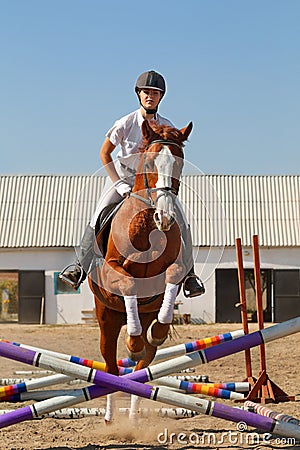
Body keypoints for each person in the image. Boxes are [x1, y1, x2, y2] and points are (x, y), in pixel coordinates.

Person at [59, 70, 205, 299]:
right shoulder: (125, 123)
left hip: (156, 186)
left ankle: (190, 275)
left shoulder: (166, 125)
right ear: (139, 94)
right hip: (124, 180)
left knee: (182, 217)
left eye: (155, 93)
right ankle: (79, 266)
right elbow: (104, 153)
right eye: (146, 92)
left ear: (161, 97)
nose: (150, 96)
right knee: (100, 212)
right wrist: (118, 185)